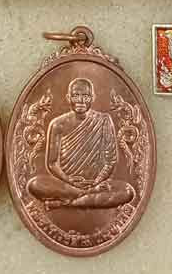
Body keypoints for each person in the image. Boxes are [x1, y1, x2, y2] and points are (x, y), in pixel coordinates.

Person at [27, 78, 135, 209]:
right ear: (69, 98)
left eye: (86, 96)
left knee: (127, 191)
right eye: (76, 96)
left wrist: (97, 181)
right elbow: (52, 163)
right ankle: (85, 196)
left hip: (96, 183)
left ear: (92, 98)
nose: (81, 101)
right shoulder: (57, 124)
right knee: (34, 184)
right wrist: (68, 180)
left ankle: (64, 202)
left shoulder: (104, 120)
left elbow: (110, 161)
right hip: (67, 184)